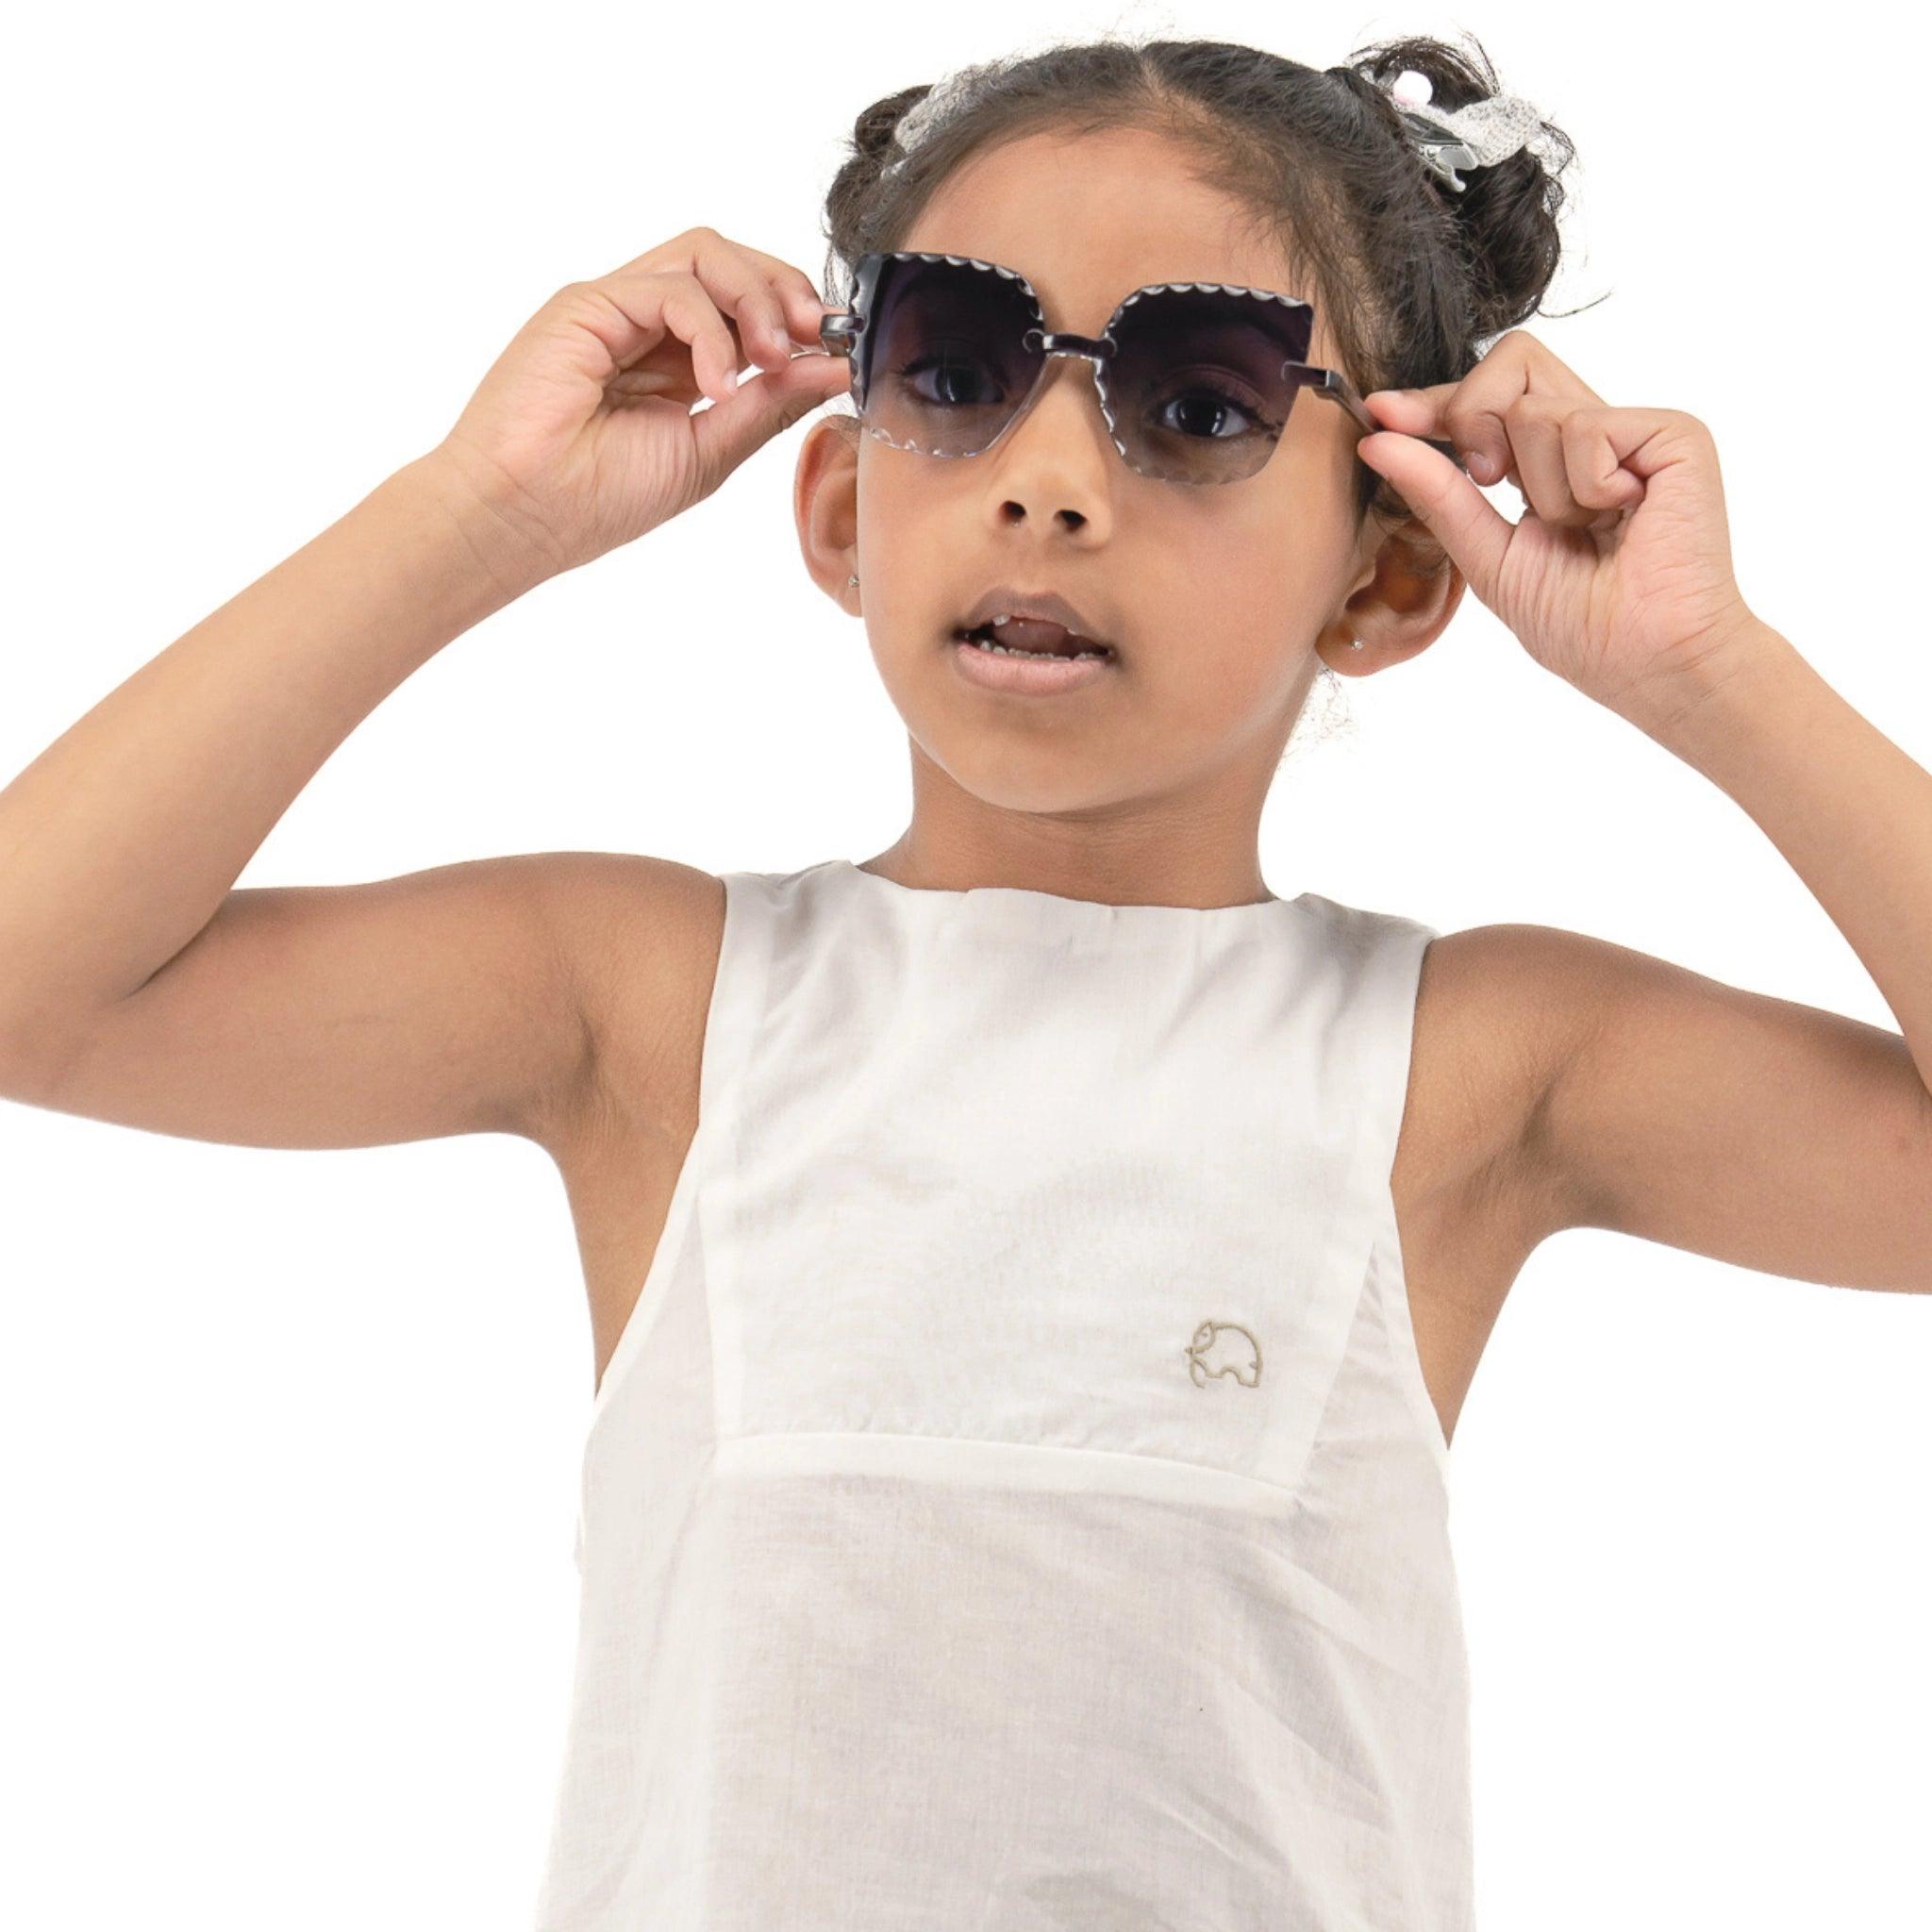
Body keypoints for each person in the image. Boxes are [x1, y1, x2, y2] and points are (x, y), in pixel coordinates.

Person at [2, 28, 1927, 1932]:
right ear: (838, 505)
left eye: (1199, 401)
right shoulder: (656, 1006)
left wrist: (1710, 674)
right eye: (955, 366)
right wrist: (473, 511)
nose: (1048, 480)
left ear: (1390, 574)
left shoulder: (1472, 1065)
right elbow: (37, 983)